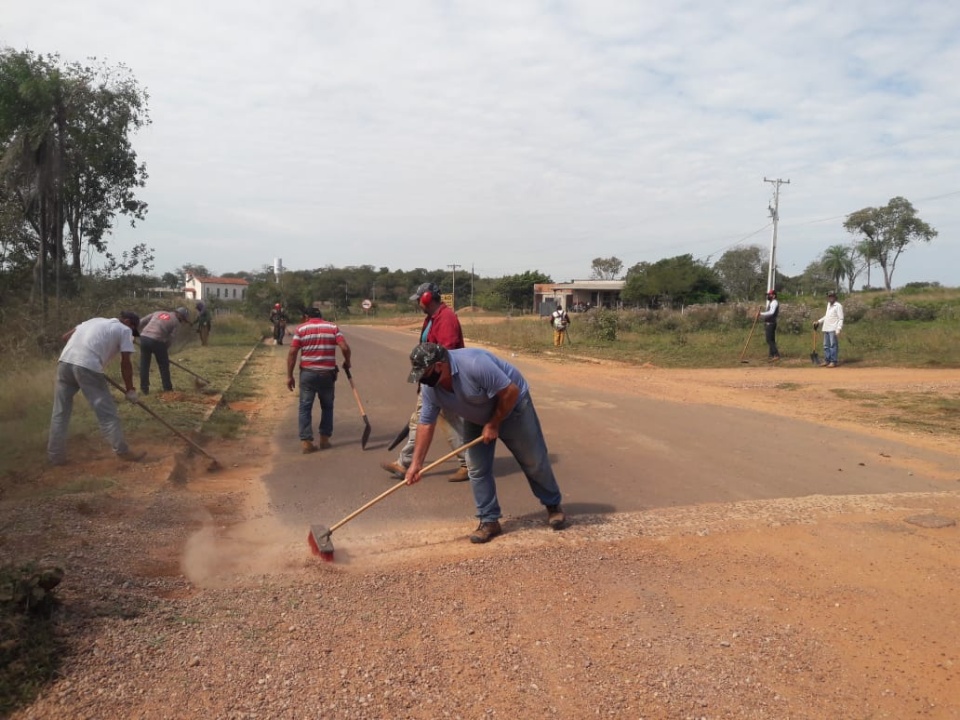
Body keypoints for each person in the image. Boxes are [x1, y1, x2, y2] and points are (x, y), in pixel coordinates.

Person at [404, 342, 566, 544]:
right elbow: (426, 424)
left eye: (425, 373)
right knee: (477, 468)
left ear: (439, 365)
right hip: (476, 416)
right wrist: (416, 464)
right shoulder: (431, 388)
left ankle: (553, 505)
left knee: (533, 460)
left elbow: (510, 391)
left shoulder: (474, 364)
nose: (424, 379)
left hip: (513, 407)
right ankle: (489, 520)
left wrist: (494, 423)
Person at [380, 282, 469, 482]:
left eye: (419, 299)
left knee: (429, 420)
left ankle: (406, 463)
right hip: (431, 378)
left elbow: (446, 353)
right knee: (433, 420)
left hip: (441, 379)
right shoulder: (431, 318)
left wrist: (433, 382)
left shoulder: (446, 319)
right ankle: (468, 463)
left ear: (427, 298)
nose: (418, 303)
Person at [47, 311, 146, 465]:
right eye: (133, 329)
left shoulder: (93, 321)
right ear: (127, 322)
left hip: (65, 363)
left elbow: (65, 337)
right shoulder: (124, 330)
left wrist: (82, 352)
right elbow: (125, 362)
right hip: (87, 366)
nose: (132, 334)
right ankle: (122, 451)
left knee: (60, 412)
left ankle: (55, 457)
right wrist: (130, 390)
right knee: (107, 413)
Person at [286, 306, 352, 453]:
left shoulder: (301, 329)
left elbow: (292, 353)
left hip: (308, 374)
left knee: (305, 407)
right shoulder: (332, 327)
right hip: (327, 374)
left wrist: (289, 376)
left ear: (306, 317)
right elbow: (344, 347)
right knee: (327, 407)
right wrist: (347, 362)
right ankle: (324, 439)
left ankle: (307, 442)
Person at [138, 307, 190, 394]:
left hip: (144, 338)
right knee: (163, 365)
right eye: (183, 319)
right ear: (180, 315)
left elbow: (141, 321)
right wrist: (164, 350)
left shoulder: (158, 312)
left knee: (144, 364)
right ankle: (167, 388)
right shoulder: (176, 322)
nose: (182, 321)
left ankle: (144, 389)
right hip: (157, 340)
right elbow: (171, 339)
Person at [814, 291, 844, 368]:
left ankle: (833, 361)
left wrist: (838, 329)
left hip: (833, 329)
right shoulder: (828, 305)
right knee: (826, 346)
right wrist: (819, 321)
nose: (830, 298)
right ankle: (827, 360)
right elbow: (826, 316)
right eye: (829, 296)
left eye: (832, 296)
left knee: (833, 345)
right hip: (826, 328)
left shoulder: (838, 306)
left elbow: (841, 319)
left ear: (835, 297)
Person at [758, 289, 780, 362]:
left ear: (773, 295)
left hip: (771, 324)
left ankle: (776, 355)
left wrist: (761, 314)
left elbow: (771, 312)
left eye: (769, 295)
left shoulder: (774, 302)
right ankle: (771, 355)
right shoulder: (771, 302)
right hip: (769, 323)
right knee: (771, 340)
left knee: (769, 340)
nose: (768, 296)